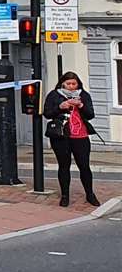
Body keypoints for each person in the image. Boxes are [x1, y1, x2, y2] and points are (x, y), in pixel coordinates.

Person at [44, 72, 99, 208]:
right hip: (61, 136)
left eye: (74, 84)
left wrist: (81, 106)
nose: (71, 87)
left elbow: (91, 114)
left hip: (80, 135)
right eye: (68, 84)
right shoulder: (54, 95)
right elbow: (47, 113)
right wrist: (60, 107)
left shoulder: (84, 95)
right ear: (62, 83)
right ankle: (65, 196)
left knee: (84, 166)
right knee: (64, 165)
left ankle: (90, 194)